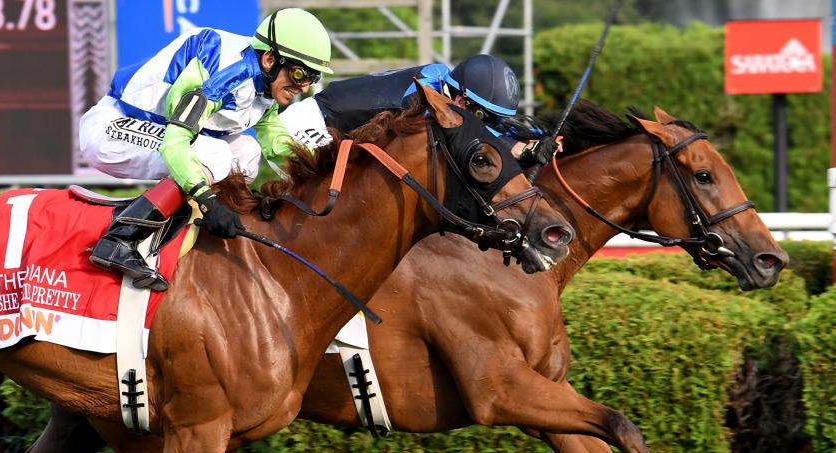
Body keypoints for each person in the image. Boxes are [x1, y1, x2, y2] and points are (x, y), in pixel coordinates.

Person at [78, 8, 333, 291]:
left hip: (160, 133)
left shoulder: (265, 83)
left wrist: (325, 168)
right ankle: (120, 238)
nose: (303, 87)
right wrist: (208, 201)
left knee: (247, 152)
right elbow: (175, 144)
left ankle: (192, 236)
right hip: (111, 129)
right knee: (215, 154)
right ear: (270, 59)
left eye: (312, 78)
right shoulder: (223, 73)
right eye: (299, 73)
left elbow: (275, 143)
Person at [278, 54, 558, 167]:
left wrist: (541, 136)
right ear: (461, 101)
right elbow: (468, 133)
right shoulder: (423, 97)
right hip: (308, 126)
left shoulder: (444, 77)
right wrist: (518, 149)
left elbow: (492, 126)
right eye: (483, 115)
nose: (486, 122)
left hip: (339, 131)